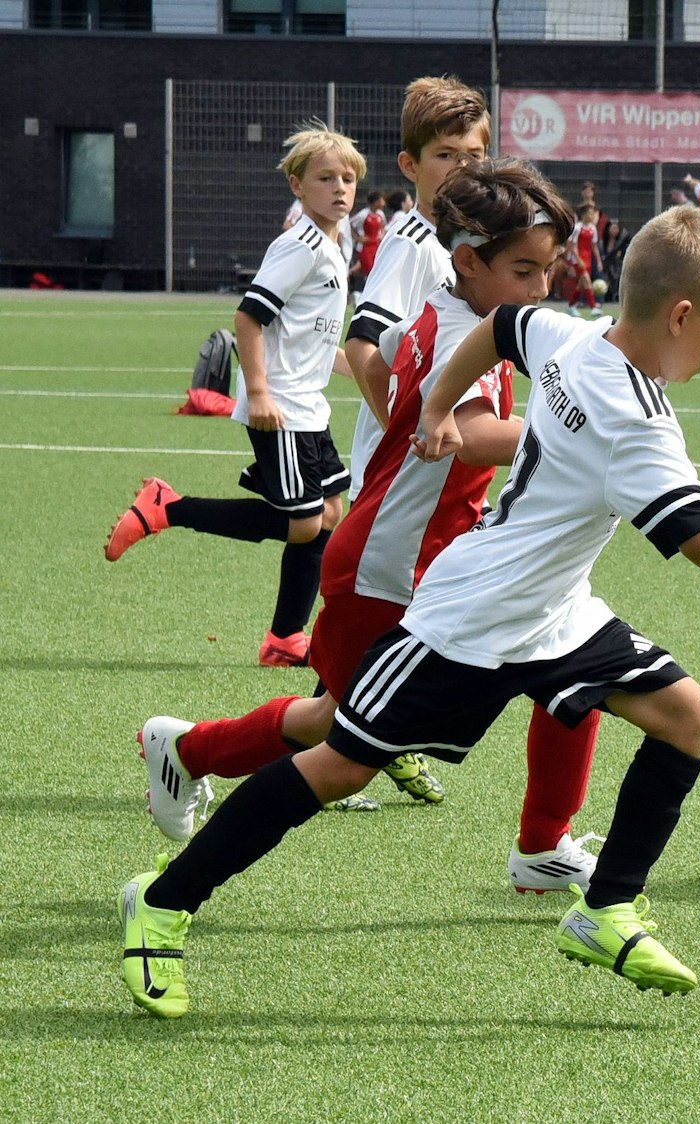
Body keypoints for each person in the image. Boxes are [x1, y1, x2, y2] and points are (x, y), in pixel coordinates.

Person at [117, 206, 700, 1020]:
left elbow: (503, 325)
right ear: (681, 316)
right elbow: (699, 537)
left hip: (554, 614)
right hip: (467, 619)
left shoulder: (572, 336)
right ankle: (162, 901)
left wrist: (438, 408)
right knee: (339, 765)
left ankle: (605, 911)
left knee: (688, 718)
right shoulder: (636, 422)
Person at [136, 161, 607, 886]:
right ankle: (188, 753)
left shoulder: (449, 313)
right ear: (470, 261)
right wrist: (581, 429)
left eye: (547, 270)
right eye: (526, 271)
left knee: (575, 658)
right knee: (339, 732)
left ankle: (544, 843)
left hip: (428, 557)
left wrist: (415, 447)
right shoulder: (464, 334)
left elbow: (384, 357)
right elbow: (477, 436)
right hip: (389, 569)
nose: (541, 290)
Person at [105, 126, 364, 676]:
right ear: (297, 184)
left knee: (330, 515)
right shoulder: (300, 245)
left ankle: (284, 638)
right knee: (302, 523)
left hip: (309, 403)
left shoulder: (336, 246)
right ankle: (166, 508)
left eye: (348, 178)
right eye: (325, 178)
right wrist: (261, 392)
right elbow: (249, 316)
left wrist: (363, 373)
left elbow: (313, 339)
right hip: (283, 406)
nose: (340, 188)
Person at [343, 77, 489, 507]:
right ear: (410, 166)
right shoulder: (413, 242)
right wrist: (404, 435)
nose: (461, 167)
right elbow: (362, 347)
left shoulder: (460, 243)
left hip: (434, 481)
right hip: (397, 483)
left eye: (473, 156)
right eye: (445, 155)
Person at [570, 202, 601, 316]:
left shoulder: (593, 228)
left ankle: (571, 305)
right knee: (586, 281)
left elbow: (594, 246)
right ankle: (593, 307)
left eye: (593, 214)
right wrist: (578, 260)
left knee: (581, 285)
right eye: (590, 213)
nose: (592, 216)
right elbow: (573, 246)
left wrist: (598, 261)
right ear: (583, 215)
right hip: (578, 259)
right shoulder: (578, 228)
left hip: (588, 259)